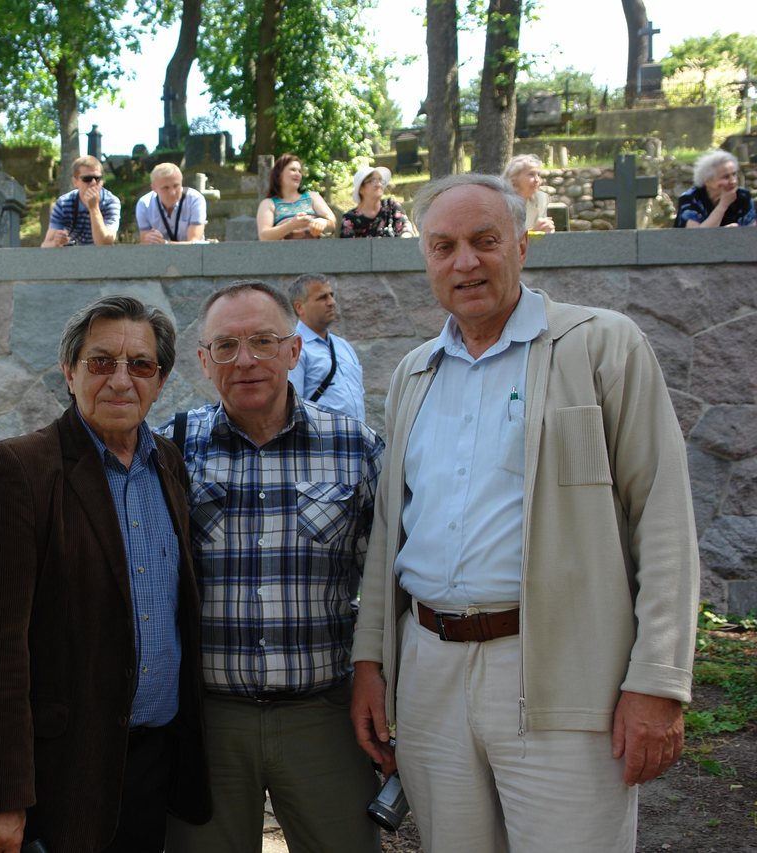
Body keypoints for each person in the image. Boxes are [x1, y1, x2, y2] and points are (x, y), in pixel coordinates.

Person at [350, 174, 699, 853]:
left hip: (564, 669)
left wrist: (658, 680)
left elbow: (662, 516)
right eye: (443, 246)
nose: (465, 262)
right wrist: (371, 660)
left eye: (485, 241)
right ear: (426, 258)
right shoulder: (415, 374)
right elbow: (391, 531)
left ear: (522, 246)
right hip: (429, 675)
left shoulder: (602, 345)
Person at [0, 296, 210, 853]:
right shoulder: (22, 469)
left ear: (161, 380)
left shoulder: (169, 465)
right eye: (101, 362)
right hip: (53, 780)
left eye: (140, 364)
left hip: (149, 769)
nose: (121, 380)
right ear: (69, 372)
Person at [162, 281, 383, 853]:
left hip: (323, 718)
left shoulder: (356, 449)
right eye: (226, 346)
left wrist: (377, 673)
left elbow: (389, 580)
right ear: (204, 361)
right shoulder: (168, 451)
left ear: (294, 351)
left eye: (263, 341)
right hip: (208, 723)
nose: (245, 360)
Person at [288, 273, 366, 422]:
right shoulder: (294, 349)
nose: (332, 302)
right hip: (319, 436)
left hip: (357, 434)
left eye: (331, 295)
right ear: (299, 307)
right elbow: (292, 407)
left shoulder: (343, 346)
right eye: (322, 297)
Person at [42, 156, 120, 246]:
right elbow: (45, 245)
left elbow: (105, 243)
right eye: (87, 179)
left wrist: (94, 208)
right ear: (75, 182)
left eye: (97, 178)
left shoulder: (110, 202)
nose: (93, 183)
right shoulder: (64, 203)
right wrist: (56, 243)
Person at [257, 153, 336, 240]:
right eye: (293, 170)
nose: (298, 174)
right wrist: (291, 225)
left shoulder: (313, 197)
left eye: (299, 171)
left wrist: (323, 222)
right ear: (279, 174)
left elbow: (332, 222)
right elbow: (264, 236)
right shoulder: (268, 203)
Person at [673, 149, 755, 228]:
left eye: (734, 174)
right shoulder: (690, 199)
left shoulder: (743, 196)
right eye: (726, 177)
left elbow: (752, 230)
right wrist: (723, 205)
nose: (733, 181)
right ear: (707, 181)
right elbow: (696, 235)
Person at [136, 163, 208, 244]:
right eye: (166, 188)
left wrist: (165, 243)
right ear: (154, 188)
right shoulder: (144, 204)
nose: (172, 193)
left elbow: (194, 243)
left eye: (176, 186)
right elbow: (145, 243)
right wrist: (150, 239)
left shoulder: (195, 200)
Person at [340, 166, 413, 238]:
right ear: (361, 189)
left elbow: (407, 230)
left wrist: (404, 238)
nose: (379, 184)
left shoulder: (391, 206)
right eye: (373, 181)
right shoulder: (349, 219)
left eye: (380, 180)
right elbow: (348, 245)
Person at [502, 153, 555, 233]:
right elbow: (503, 237)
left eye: (538, 175)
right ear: (514, 178)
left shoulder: (541, 199)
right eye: (531, 174)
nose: (537, 180)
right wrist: (533, 232)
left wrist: (548, 231)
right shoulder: (501, 202)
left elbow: (543, 233)